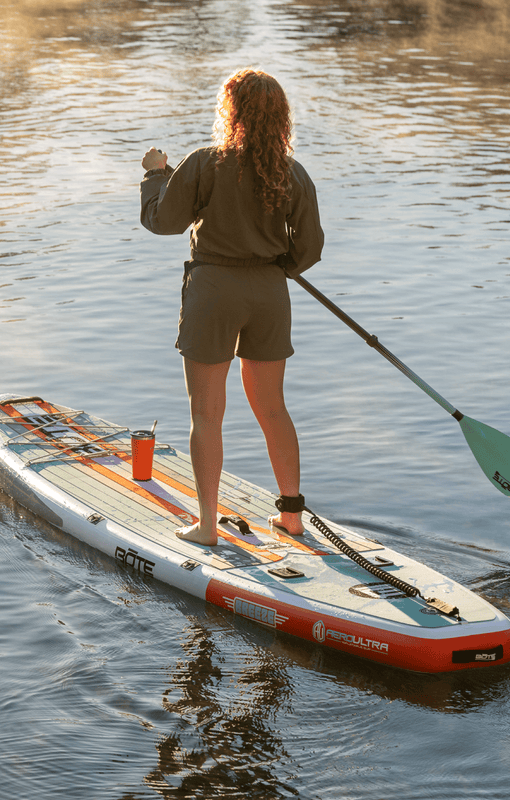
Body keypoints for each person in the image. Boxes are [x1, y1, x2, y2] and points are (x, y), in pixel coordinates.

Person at [139, 68, 323, 546]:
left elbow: (163, 222)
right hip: (269, 295)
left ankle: (205, 526)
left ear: (231, 112)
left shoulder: (204, 162)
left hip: (213, 290)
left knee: (207, 412)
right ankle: (292, 516)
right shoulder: (292, 173)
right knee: (273, 408)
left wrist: (156, 173)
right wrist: (276, 265)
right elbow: (309, 249)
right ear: (280, 117)